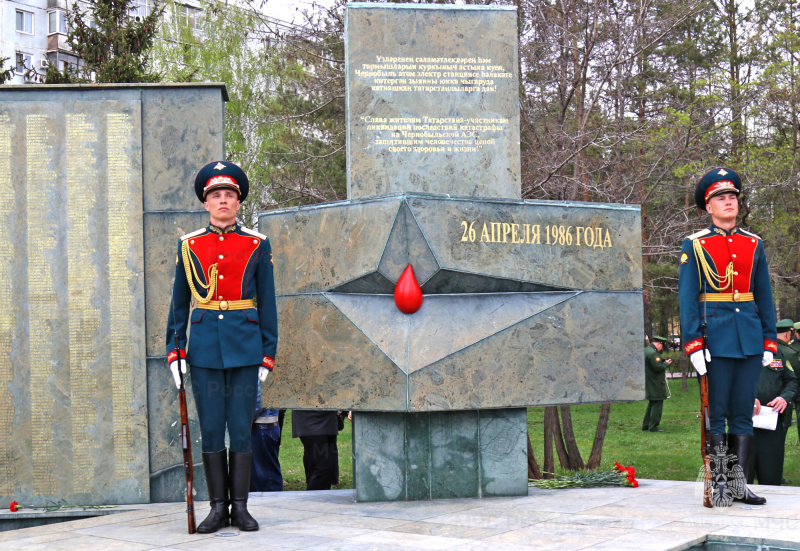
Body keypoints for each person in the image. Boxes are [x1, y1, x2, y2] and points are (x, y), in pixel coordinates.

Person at [166, 161, 278, 533]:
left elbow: (268, 302)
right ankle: (217, 508)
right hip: (204, 352)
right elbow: (179, 305)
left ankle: (241, 507)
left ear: (238, 201)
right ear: (206, 202)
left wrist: (267, 352)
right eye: (217, 195)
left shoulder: (256, 245)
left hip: (245, 348)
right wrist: (176, 352)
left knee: (242, 431)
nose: (223, 201)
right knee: (212, 429)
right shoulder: (189, 246)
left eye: (229, 195)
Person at [678, 167, 778, 506]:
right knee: (716, 412)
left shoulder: (754, 244)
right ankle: (719, 483)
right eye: (721, 198)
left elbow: (764, 296)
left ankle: (739, 485)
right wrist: (692, 342)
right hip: (715, 340)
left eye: (733, 196)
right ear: (709, 207)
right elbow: (688, 297)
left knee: (741, 413)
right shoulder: (695, 245)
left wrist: (768, 340)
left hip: (748, 337)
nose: (729, 201)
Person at [748, 321, 798, 486]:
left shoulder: (777, 353)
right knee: (741, 476)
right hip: (744, 423)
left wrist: (785, 397)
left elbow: (791, 381)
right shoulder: (740, 353)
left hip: (771, 422)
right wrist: (746, 397)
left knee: (771, 475)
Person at [291, 410, 339, 490]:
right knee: (324, 467)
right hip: (310, 421)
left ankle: (319, 497)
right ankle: (312, 498)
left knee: (319, 466)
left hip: (328, 420)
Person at [642, 336, 673, 432]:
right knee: (657, 404)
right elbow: (657, 367)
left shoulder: (646, 350)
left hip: (649, 381)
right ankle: (653, 427)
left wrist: (662, 360)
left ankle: (646, 425)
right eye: (662, 346)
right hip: (655, 382)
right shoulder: (653, 353)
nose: (662, 348)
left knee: (651, 403)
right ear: (658, 343)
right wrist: (666, 363)